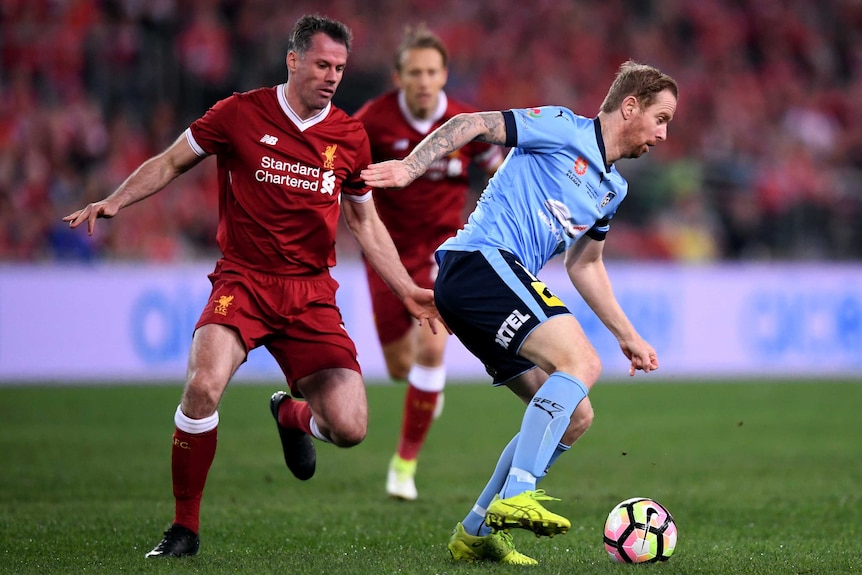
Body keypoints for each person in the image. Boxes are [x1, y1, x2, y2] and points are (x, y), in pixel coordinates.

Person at [63, 14, 440, 559]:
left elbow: (364, 222)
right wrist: (117, 199)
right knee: (202, 386)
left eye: (340, 67)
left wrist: (405, 288)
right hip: (243, 280)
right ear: (293, 60)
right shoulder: (239, 113)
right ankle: (183, 530)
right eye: (322, 64)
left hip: (311, 291)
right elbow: (171, 161)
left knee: (351, 427)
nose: (332, 76)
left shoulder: (350, 136)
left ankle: (291, 414)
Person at [361, 60, 678, 565]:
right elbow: (471, 124)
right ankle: (518, 492)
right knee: (583, 364)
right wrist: (409, 167)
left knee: (575, 416)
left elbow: (586, 264)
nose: (663, 134)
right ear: (630, 106)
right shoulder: (561, 127)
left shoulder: (612, 190)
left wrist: (628, 335)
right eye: (661, 118)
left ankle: (476, 530)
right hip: (480, 262)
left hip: (485, 286)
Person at [353, 24, 503, 501]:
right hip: (387, 256)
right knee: (402, 367)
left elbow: (497, 174)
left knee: (432, 348)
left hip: (444, 252)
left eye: (432, 71)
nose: (423, 80)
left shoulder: (465, 123)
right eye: (414, 72)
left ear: (444, 76)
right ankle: (425, 391)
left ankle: (403, 465)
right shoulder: (372, 123)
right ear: (398, 76)